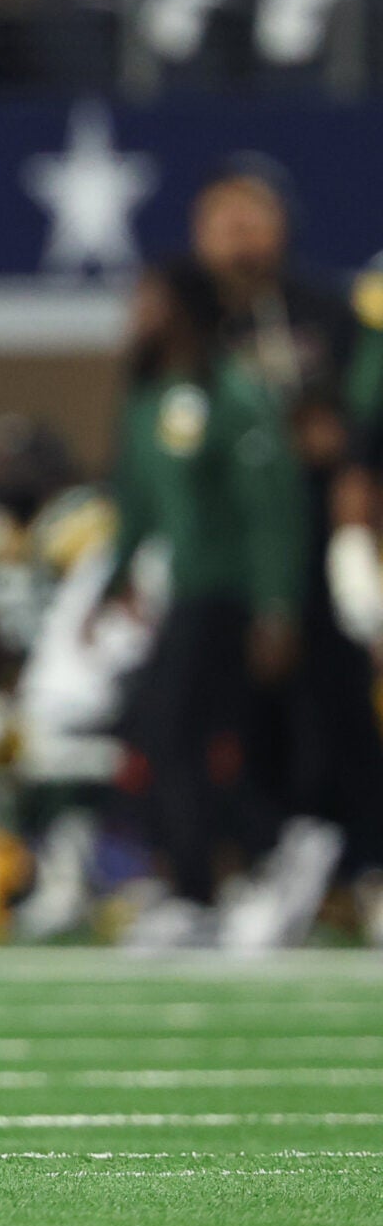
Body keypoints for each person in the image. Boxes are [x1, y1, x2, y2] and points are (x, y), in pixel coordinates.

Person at [189, 160, 378, 941]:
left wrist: (354, 454)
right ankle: (259, 867)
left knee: (337, 714)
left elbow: (365, 394)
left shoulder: (324, 314)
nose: (237, 237)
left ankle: (365, 867)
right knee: (227, 720)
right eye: (223, 221)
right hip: (228, 556)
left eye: (251, 219)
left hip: (314, 541)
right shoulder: (193, 327)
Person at [96, 258, 303, 951]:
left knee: (175, 732)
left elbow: (270, 507)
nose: (137, 313)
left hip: (227, 589)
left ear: (182, 308)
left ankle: (218, 874)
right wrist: (109, 584)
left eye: (149, 299)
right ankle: (230, 864)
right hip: (183, 588)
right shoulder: (150, 397)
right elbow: (138, 508)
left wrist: (276, 603)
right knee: (158, 734)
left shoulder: (234, 393)